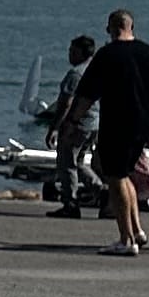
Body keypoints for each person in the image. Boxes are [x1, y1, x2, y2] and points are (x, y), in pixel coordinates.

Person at [80, 8, 149, 256]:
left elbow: (87, 93)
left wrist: (71, 122)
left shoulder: (107, 55)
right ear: (132, 26)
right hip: (141, 124)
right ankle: (137, 230)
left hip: (116, 123)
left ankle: (125, 238)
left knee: (115, 176)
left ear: (111, 27)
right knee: (125, 174)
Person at [47, 33, 100, 214]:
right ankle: (100, 190)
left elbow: (66, 102)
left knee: (67, 163)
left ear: (81, 53)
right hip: (94, 124)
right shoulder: (97, 71)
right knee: (79, 162)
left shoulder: (75, 74)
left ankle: (70, 203)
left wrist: (55, 127)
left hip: (76, 124)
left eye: (72, 51)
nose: (69, 55)